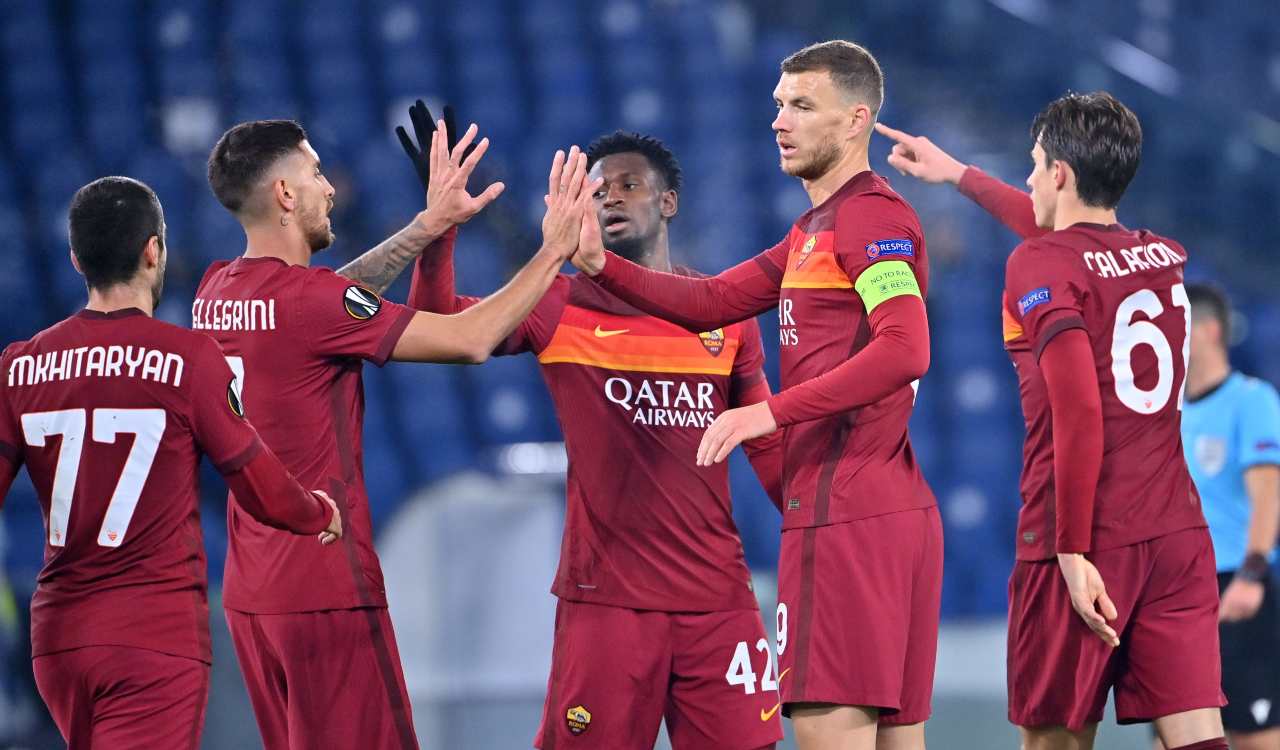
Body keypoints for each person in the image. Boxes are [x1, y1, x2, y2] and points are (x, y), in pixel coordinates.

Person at [569, 40, 941, 750]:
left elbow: (905, 349)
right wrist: (599, 266)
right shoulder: (813, 231)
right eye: (778, 104)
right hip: (889, 515)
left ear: (856, 120)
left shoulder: (870, 220)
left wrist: (766, 412)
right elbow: (711, 300)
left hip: (842, 517)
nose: (779, 121)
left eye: (802, 105)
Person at [198, 114, 596, 749]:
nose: (330, 187)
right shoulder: (309, 303)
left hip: (252, 595)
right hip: (324, 586)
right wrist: (553, 250)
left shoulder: (217, 291)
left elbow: (326, 303)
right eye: (316, 172)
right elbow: (469, 339)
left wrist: (427, 228)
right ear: (285, 194)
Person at [407, 126, 785, 750]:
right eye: (597, 189)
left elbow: (767, 444)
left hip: (718, 600)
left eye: (629, 185)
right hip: (608, 604)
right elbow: (438, 328)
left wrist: (814, 532)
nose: (610, 197)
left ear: (668, 201)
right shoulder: (556, 303)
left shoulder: (724, 315)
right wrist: (440, 230)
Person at [875, 93, 1229, 750]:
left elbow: (1079, 409)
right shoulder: (1164, 257)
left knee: (1052, 739)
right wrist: (956, 173)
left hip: (1082, 534)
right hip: (1176, 534)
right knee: (1197, 734)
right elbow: (1065, 241)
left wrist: (1071, 549)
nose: (1029, 178)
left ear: (1060, 174)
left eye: (1035, 165)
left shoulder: (1037, 265)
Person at [0, 177, 342, 749]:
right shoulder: (189, 358)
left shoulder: (18, 366)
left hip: (58, 640)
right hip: (152, 637)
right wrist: (317, 511)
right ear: (153, 250)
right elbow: (258, 485)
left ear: (77, 260)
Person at [1174, 283, 1280, 750]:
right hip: (1181, 591)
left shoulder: (1251, 399)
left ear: (1210, 331)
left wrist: (1252, 575)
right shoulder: (1169, 411)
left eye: (1178, 326)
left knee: (1254, 734)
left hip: (1235, 584)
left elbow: (1269, 494)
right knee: (1178, 733)